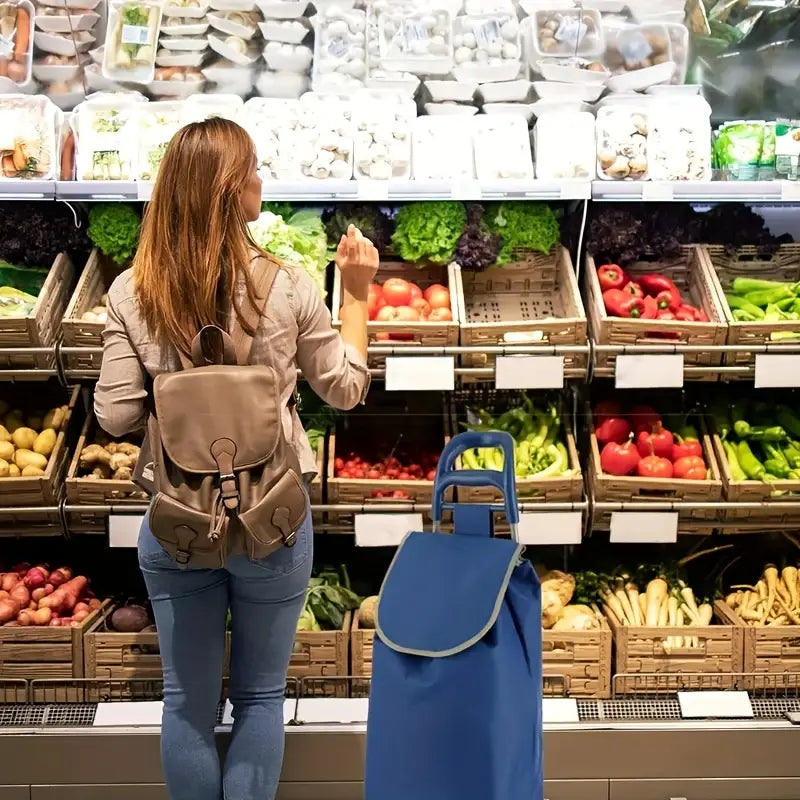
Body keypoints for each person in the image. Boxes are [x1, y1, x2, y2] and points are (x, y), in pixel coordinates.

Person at [94, 117, 378, 800]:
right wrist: (360, 292)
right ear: (229, 192)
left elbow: (115, 414)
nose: (261, 179)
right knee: (258, 697)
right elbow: (344, 388)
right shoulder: (289, 285)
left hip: (179, 522)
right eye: (251, 169)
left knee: (186, 704)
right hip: (272, 520)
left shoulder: (133, 294)